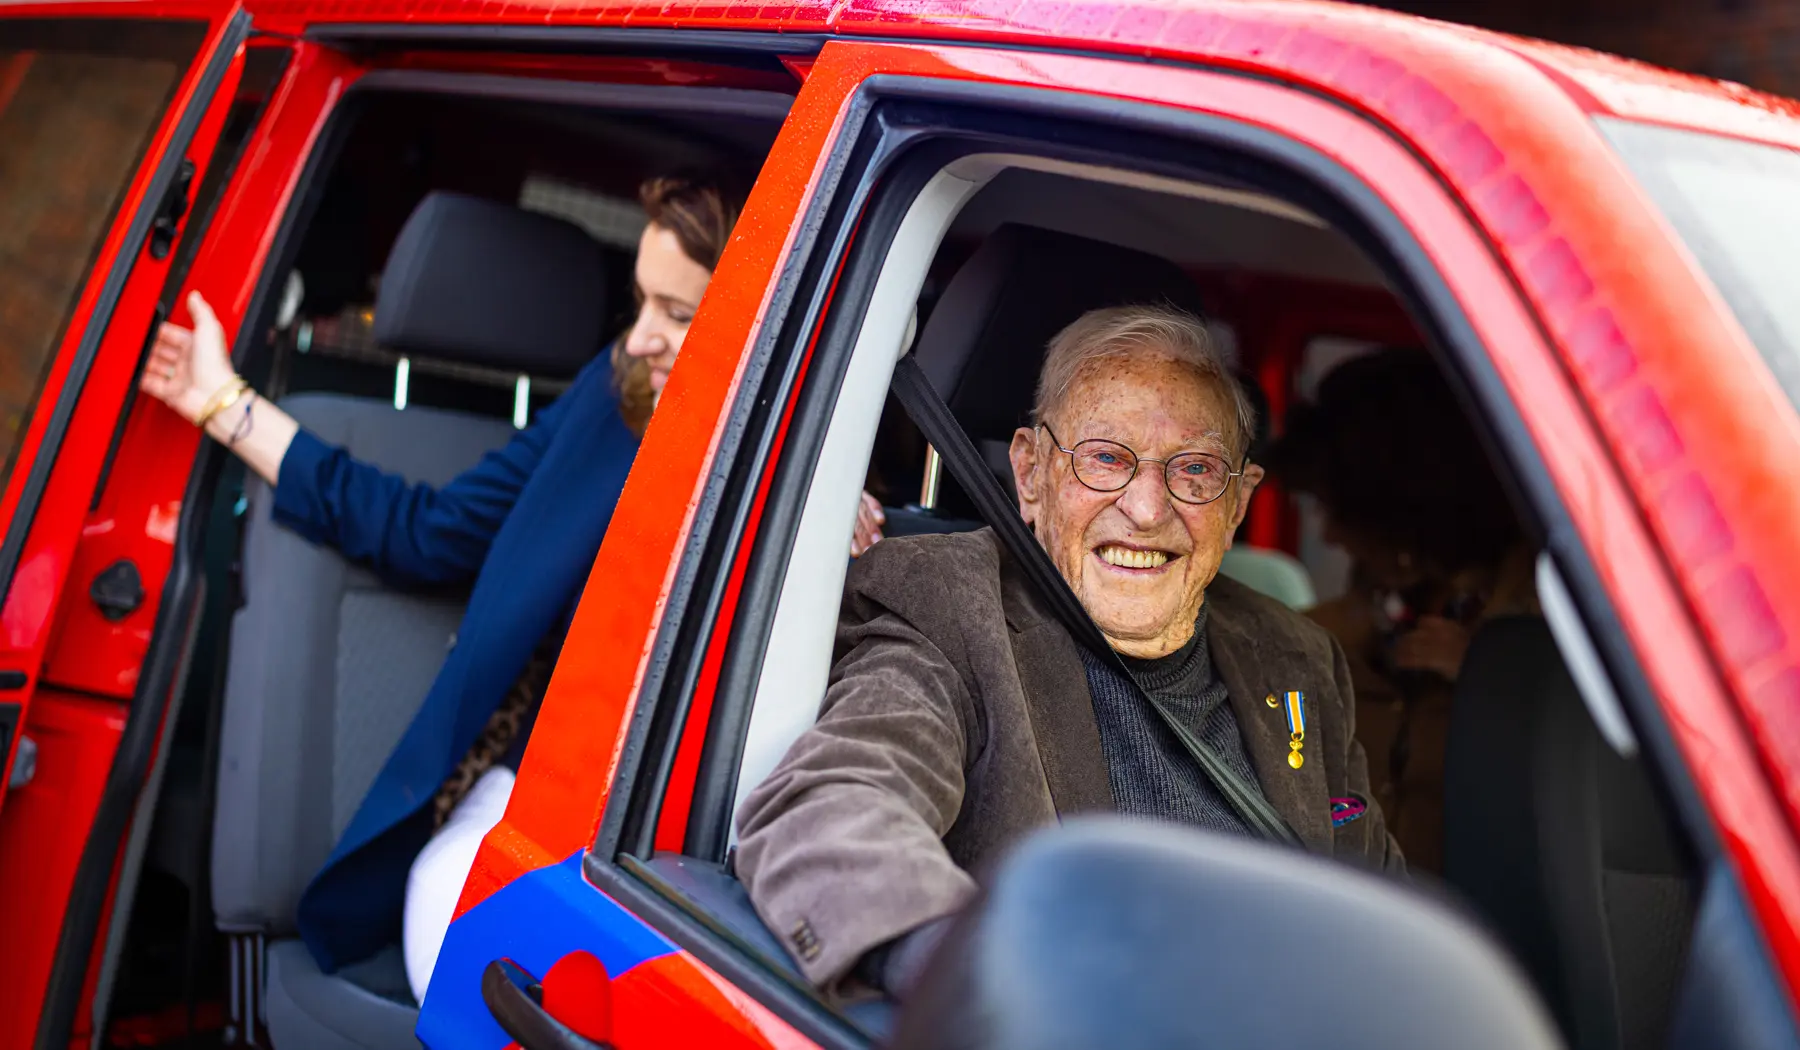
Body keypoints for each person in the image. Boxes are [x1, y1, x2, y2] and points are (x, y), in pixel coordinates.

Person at [141, 174, 885, 1001]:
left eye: (678, 314)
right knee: (479, 969)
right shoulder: (613, 405)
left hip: (715, 868)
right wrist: (218, 400)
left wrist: (814, 516)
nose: (640, 339)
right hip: (530, 812)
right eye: (641, 304)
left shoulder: (831, 483)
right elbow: (427, 530)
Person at [734, 304, 1401, 1001]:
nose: (1146, 508)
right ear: (1030, 473)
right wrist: (994, 988)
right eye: (1107, 458)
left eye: (1195, 469)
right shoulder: (949, 607)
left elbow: (1378, 907)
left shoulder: (1297, 656)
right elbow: (837, 806)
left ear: (1237, 504)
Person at [1266, 348, 1536, 873]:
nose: (1328, 534)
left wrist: (1488, 678)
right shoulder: (1356, 613)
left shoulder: (1541, 620)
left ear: (1401, 507)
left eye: (1337, 509)